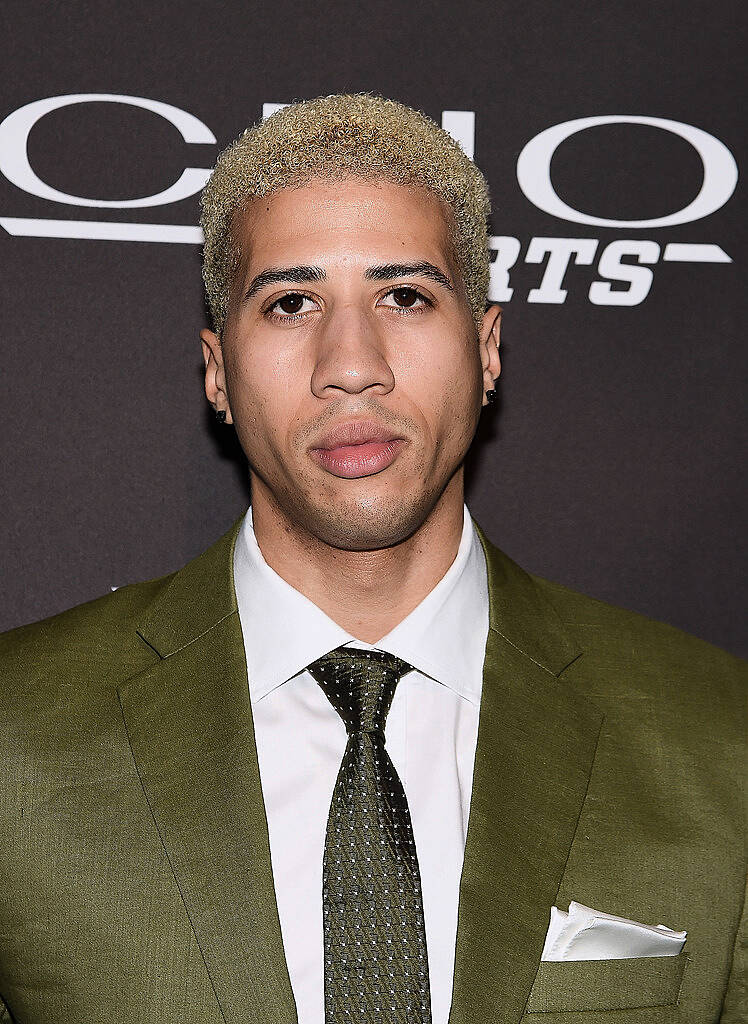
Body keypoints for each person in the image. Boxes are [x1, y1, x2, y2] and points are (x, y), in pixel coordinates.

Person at [0, 93, 744, 1024]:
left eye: (404, 295)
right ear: (216, 372)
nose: (351, 363)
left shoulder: (721, 743)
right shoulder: (15, 740)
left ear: (486, 349)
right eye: (291, 302)